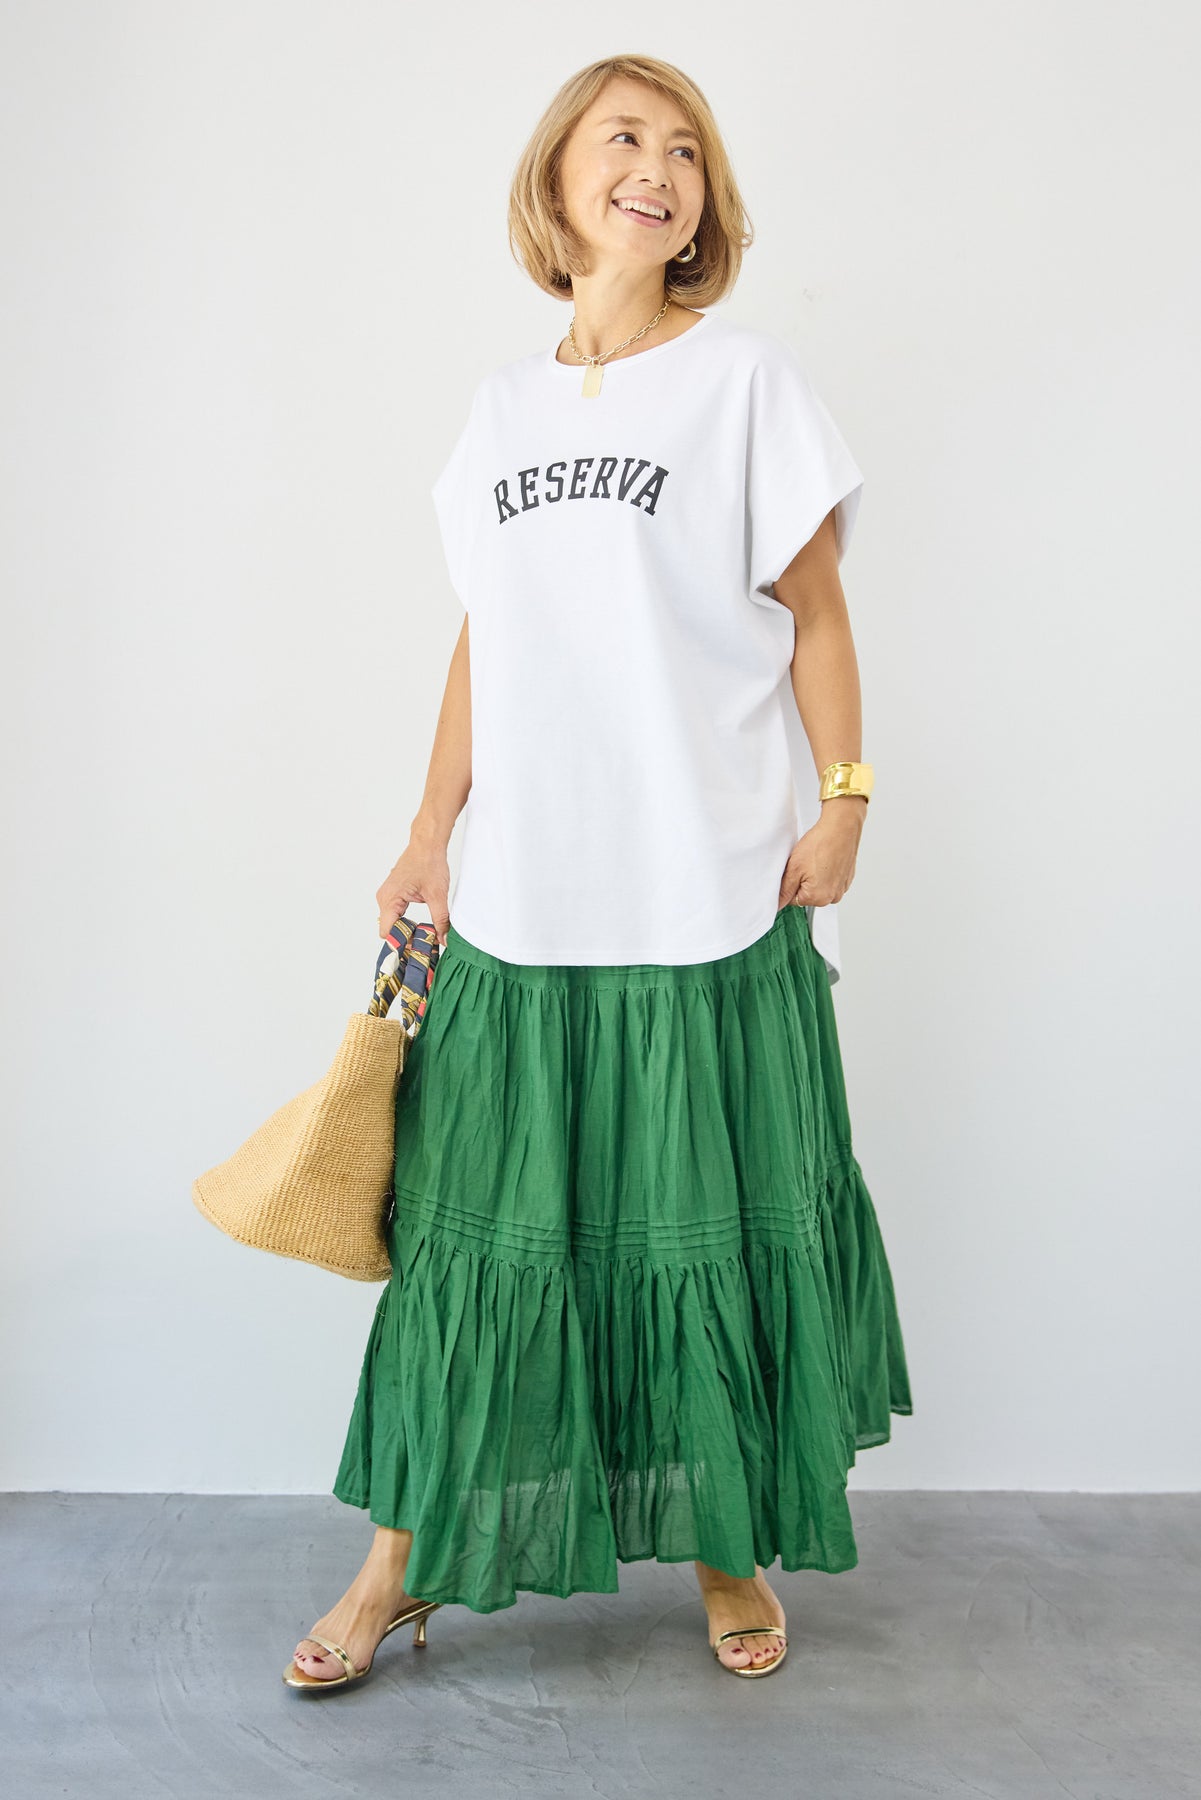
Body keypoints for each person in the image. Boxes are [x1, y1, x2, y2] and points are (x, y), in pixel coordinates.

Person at [283, 51, 912, 1691]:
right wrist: (428, 831)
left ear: (701, 207)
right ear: (556, 181)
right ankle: (392, 1568)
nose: (658, 167)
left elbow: (816, 610)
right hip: (519, 898)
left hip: (703, 890)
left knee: (694, 1232)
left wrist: (845, 795)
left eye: (685, 150)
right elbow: (485, 638)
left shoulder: (745, 381)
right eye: (624, 138)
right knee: (474, 1250)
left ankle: (724, 1548)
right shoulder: (497, 412)